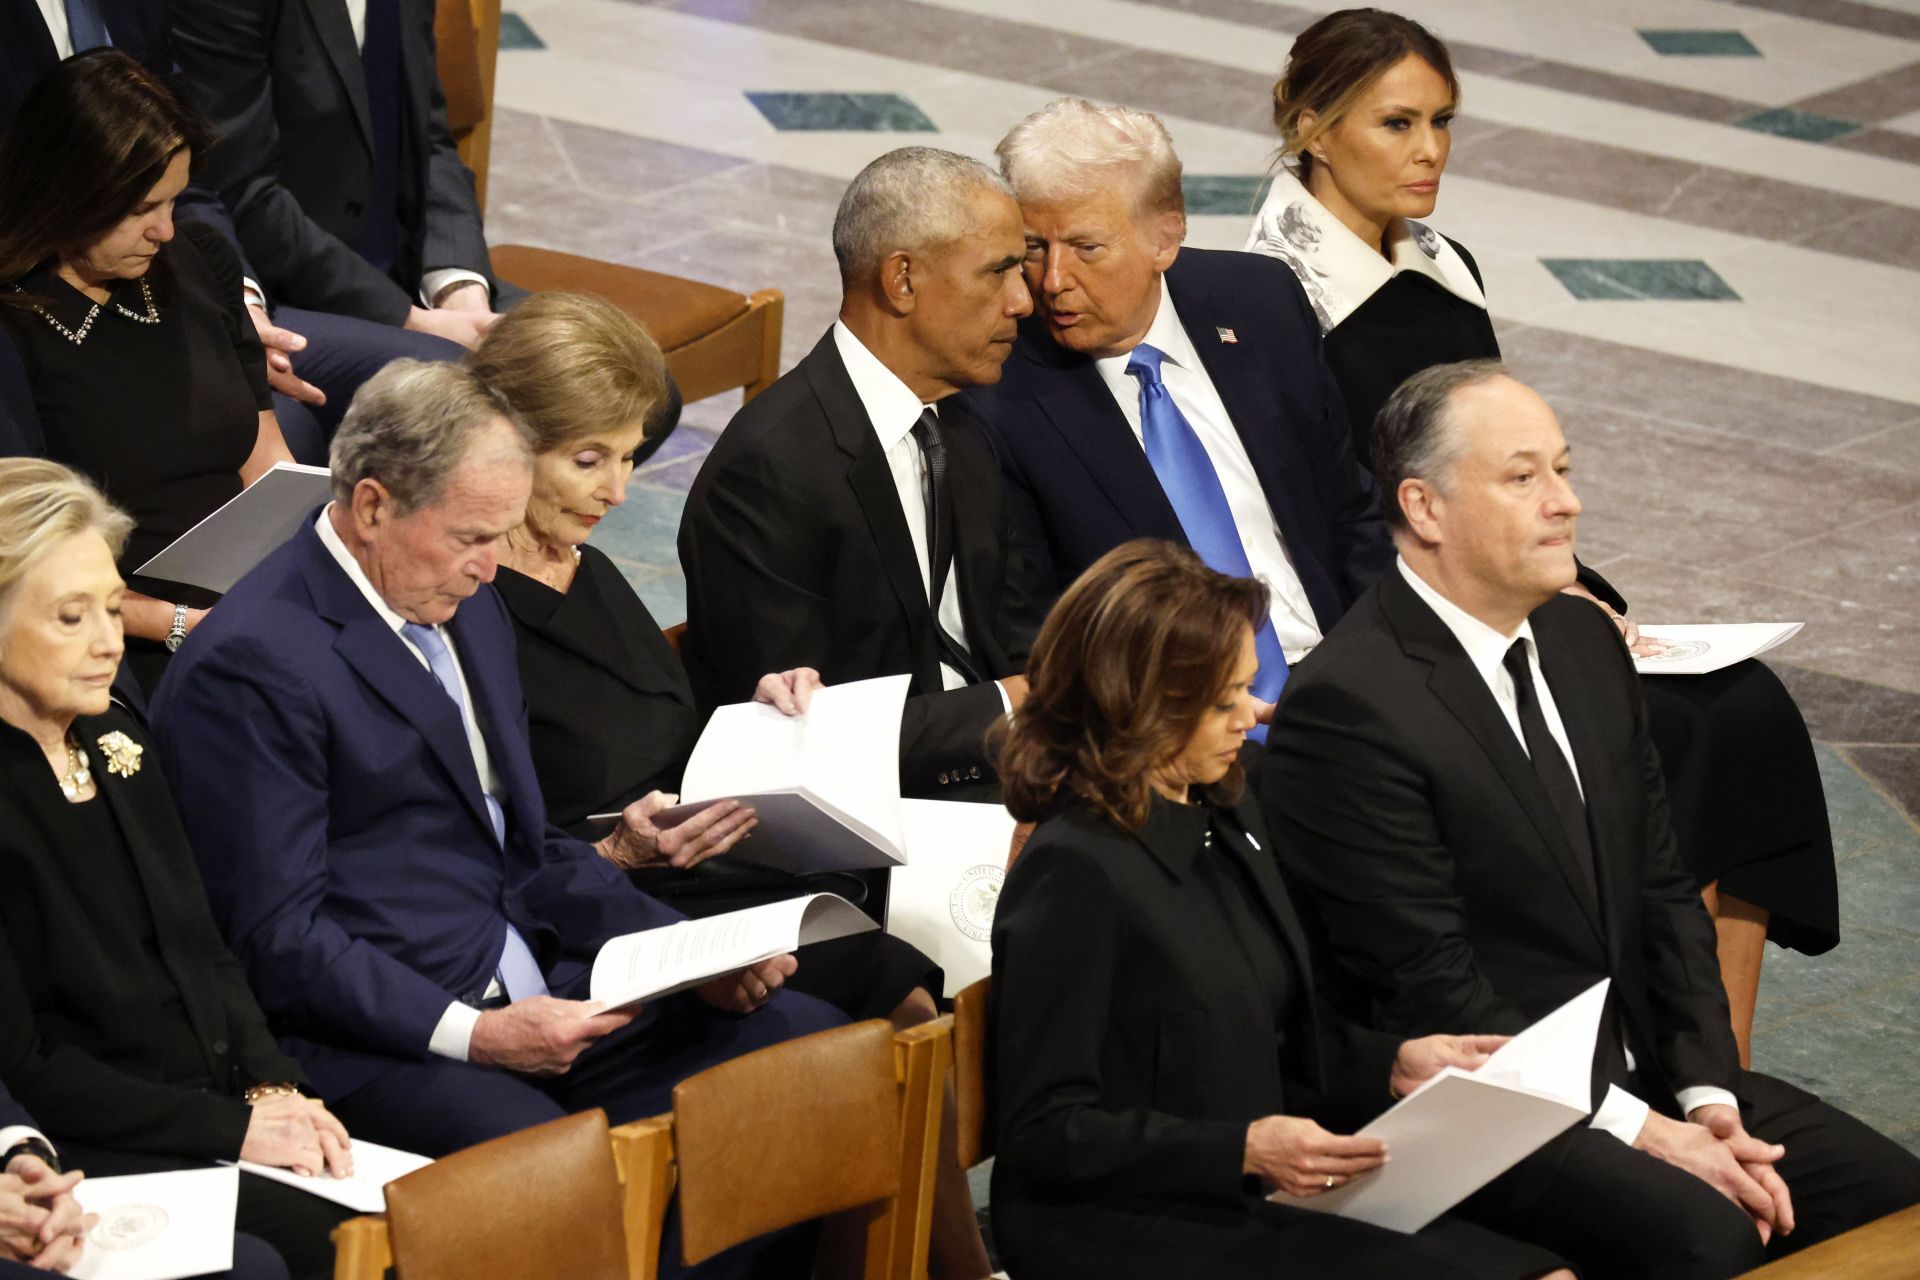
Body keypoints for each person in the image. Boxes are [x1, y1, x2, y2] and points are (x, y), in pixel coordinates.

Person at [149, 360, 842, 1276]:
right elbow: (279, 939)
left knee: (805, 1059)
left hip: (543, 994)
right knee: (560, 1176)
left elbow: (524, 847)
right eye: (473, 537)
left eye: (501, 533)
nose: (492, 566)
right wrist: (476, 1034)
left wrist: (686, 959)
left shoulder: (460, 605)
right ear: (371, 507)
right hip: (389, 1039)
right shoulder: (254, 664)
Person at [1246, 8, 1837, 1062]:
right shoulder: (1269, 290)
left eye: (1442, 121)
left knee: (1748, 714)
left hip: (1494, 563)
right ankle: (1631, 1044)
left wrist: (1574, 588)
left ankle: (1718, 1066)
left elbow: (1494, 450)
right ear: (1312, 128)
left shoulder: (1446, 259)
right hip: (1412, 597)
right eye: (1396, 124)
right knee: (1676, 732)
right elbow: (1325, 508)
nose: (1429, 150)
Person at [1265, 361, 1920, 1280]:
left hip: (1645, 1072)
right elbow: (1434, 989)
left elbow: (1662, 890)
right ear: (1424, 507)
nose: (1565, 503)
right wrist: (1643, 1130)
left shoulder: (1580, 642)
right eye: (1523, 477)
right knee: (1713, 1234)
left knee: (1892, 1195)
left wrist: (1708, 1098)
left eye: (1563, 470)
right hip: (1489, 1107)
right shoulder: (1350, 705)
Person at [468, 292, 993, 1279]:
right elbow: (504, 841)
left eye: (630, 456)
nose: (619, 490)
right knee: (888, 985)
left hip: (705, 855)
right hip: (618, 901)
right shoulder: (471, 601)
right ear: (504, 439)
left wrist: (754, 706)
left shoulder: (581, 562)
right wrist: (619, 848)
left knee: (902, 950)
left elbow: (657, 721)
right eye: (590, 459)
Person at [989, 538, 1571, 1280]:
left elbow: (1272, 1034)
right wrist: (1244, 1148)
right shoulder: (1075, 872)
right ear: (1143, 704)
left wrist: (1394, 1064)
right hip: (1127, 1227)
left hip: (1247, 1195)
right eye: (1225, 698)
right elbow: (1044, 1131)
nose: (1253, 713)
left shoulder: (1225, 810)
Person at [0, 458, 360, 1280]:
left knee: (413, 1216)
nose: (108, 641)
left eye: (112, 605)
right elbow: (27, 1068)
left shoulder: (114, 729)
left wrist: (273, 1084)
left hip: (211, 1105)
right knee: (331, 1247)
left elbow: (201, 943)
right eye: (69, 616)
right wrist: (233, 1132)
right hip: (100, 1140)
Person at [962, 98, 1390, 729]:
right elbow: (1036, 629)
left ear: (1165, 236)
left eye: (1086, 247)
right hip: (1177, 724)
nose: (1052, 280)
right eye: (1033, 247)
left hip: (1343, 673)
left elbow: (1351, 511)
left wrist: (1384, 665)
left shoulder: (1261, 302)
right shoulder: (998, 394)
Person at [680, 146, 1041, 800]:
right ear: (902, 280)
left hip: (1008, 771)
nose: (1022, 300)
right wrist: (1014, 711)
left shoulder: (961, 424)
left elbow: (1008, 636)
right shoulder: (768, 470)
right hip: (880, 821)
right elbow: (790, 737)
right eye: (998, 272)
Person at [0, 2, 455, 457]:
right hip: (48, 292)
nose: (165, 228)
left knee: (444, 375)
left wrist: (240, 303)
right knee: (287, 423)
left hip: (179, 284)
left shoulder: (188, 240)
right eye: (143, 208)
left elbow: (183, 170)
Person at [0, 51, 293, 693]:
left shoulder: (200, 260)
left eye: (175, 201)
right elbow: (22, 554)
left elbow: (268, 465)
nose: (165, 230)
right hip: (119, 634)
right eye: (141, 208)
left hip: (245, 598)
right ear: (64, 193)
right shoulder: (15, 326)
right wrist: (176, 622)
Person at [170, 0, 515, 350]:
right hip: (293, 289)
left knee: (558, 352)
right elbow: (239, 187)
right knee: (483, 389)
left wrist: (460, 290)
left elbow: (427, 139)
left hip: (409, 269)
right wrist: (409, 320)